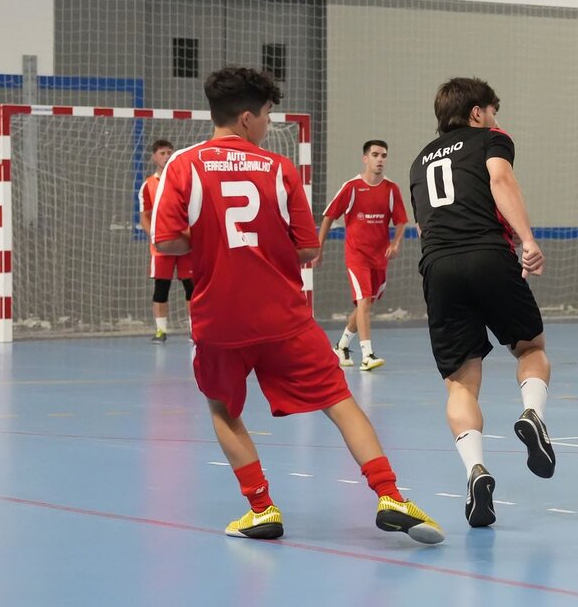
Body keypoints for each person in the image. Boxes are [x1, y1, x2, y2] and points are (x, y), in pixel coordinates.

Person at [151, 66, 443, 544]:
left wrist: (209, 241)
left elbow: (167, 244)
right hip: (283, 316)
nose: (269, 123)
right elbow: (308, 250)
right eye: (266, 115)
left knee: (224, 410)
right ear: (247, 118)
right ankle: (390, 495)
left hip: (218, 318)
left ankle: (262, 508)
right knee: (340, 401)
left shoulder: (182, 165)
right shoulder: (279, 168)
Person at [408, 77, 556, 528]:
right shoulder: (491, 139)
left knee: (460, 383)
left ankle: (475, 471)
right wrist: (527, 239)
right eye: (493, 110)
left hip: (438, 267)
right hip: (488, 255)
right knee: (531, 347)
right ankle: (532, 415)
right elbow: (499, 179)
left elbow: (423, 226)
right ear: (477, 113)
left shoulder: (417, 162)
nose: (496, 118)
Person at [316, 140, 408, 371]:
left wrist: (396, 243)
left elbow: (401, 220)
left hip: (380, 258)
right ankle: (368, 354)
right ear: (365, 158)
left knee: (363, 307)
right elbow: (328, 216)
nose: (380, 159)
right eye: (375, 154)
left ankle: (341, 346)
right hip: (357, 256)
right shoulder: (352, 187)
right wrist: (319, 248)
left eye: (383, 155)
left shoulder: (391, 189)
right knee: (364, 301)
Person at [139, 139, 193, 343]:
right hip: (162, 246)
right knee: (161, 288)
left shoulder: (183, 181)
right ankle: (161, 330)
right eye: (162, 153)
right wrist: (153, 235)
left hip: (185, 243)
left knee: (192, 287)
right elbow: (144, 214)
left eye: (170, 152)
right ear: (154, 157)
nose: (166, 156)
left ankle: (194, 329)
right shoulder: (148, 185)